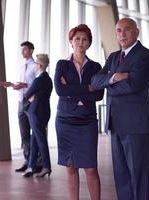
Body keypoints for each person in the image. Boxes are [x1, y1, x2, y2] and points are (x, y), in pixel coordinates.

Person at [91, 18, 149, 200]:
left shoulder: (145, 55)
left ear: (137, 32)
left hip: (135, 125)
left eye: (127, 30)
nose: (122, 34)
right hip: (115, 123)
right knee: (121, 175)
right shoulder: (112, 57)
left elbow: (133, 86)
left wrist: (107, 83)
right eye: (119, 30)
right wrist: (113, 78)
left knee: (138, 175)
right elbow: (95, 81)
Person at [54, 24, 104, 200]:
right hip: (65, 121)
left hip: (87, 121)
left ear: (89, 43)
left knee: (91, 168)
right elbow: (60, 91)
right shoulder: (62, 64)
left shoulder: (96, 67)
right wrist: (87, 88)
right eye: (77, 39)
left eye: (84, 39)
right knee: (71, 166)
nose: (80, 42)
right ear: (71, 41)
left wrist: (72, 89)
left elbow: (98, 94)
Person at [1, 41, 41, 172]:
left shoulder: (35, 66)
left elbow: (38, 84)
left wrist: (24, 86)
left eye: (25, 49)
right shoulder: (20, 66)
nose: (22, 51)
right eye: (22, 49)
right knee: (24, 134)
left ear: (31, 50)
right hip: (20, 103)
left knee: (35, 132)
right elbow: (21, 84)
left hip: (31, 102)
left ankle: (38, 162)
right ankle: (27, 161)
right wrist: (11, 84)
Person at [22, 54, 53, 178]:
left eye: (36, 63)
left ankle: (46, 166)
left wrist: (31, 99)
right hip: (45, 111)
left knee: (40, 140)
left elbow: (27, 94)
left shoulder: (38, 80)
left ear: (39, 66)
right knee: (35, 139)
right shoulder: (48, 79)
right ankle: (31, 166)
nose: (34, 65)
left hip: (36, 112)